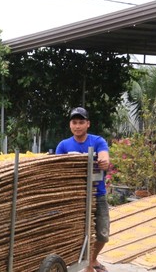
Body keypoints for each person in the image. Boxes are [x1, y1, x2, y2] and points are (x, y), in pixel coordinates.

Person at [55, 107, 110, 272]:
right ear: (70, 124)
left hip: (97, 194)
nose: (77, 126)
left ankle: (92, 259)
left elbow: (104, 156)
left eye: (81, 122)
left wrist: (103, 161)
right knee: (74, 232)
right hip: (74, 197)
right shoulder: (63, 145)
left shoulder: (97, 141)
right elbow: (56, 168)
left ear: (88, 124)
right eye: (74, 122)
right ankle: (82, 262)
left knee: (103, 233)